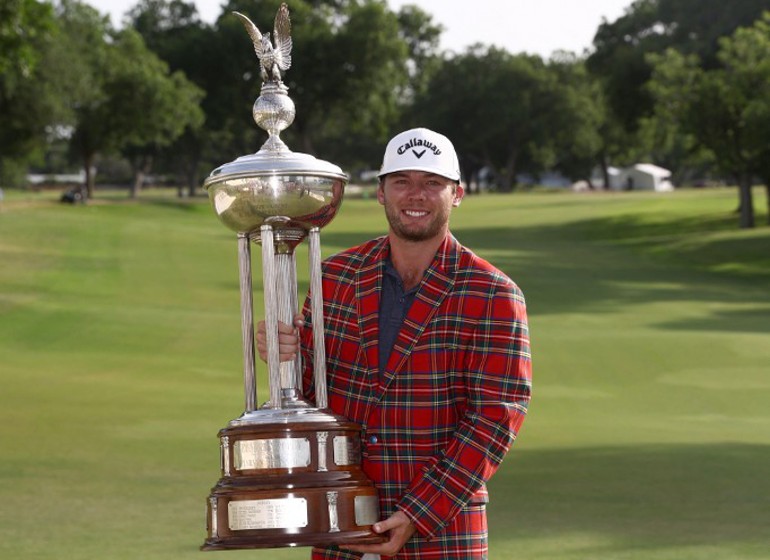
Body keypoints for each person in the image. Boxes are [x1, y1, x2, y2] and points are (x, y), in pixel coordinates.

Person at [257, 128, 532, 560]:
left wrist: (418, 513)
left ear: (457, 194)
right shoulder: (334, 276)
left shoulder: (494, 293)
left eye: (432, 183)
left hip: (441, 529)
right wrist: (285, 357)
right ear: (381, 193)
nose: (415, 195)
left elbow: (495, 418)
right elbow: (312, 397)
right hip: (343, 519)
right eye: (401, 181)